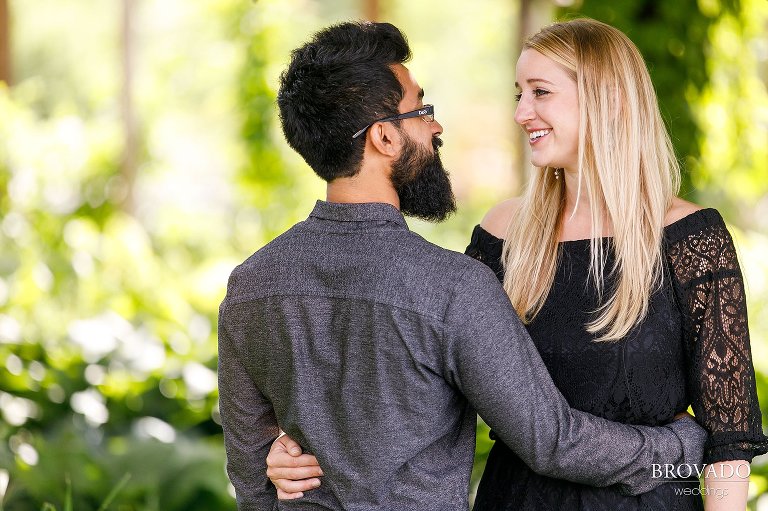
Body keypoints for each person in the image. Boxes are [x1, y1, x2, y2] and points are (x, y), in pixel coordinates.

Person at [269, 18, 768, 510]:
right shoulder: (502, 234)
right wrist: (293, 448)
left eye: (540, 92)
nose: (521, 112)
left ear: (608, 99)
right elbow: (424, 382)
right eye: (518, 94)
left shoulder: (691, 237)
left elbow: (729, 440)